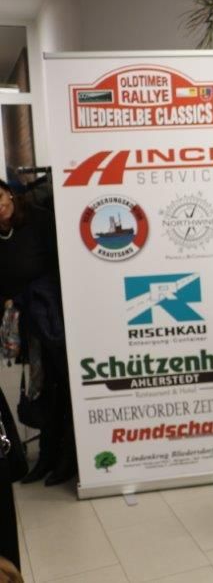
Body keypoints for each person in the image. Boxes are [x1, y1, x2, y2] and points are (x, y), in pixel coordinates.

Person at [0, 179, 76, 489]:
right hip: (27, 324)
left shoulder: (39, 219)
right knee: (41, 388)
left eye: (0, 196)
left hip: (54, 317)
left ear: (9, 193)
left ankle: (67, 457)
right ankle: (47, 455)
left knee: (64, 385)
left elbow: (62, 265)